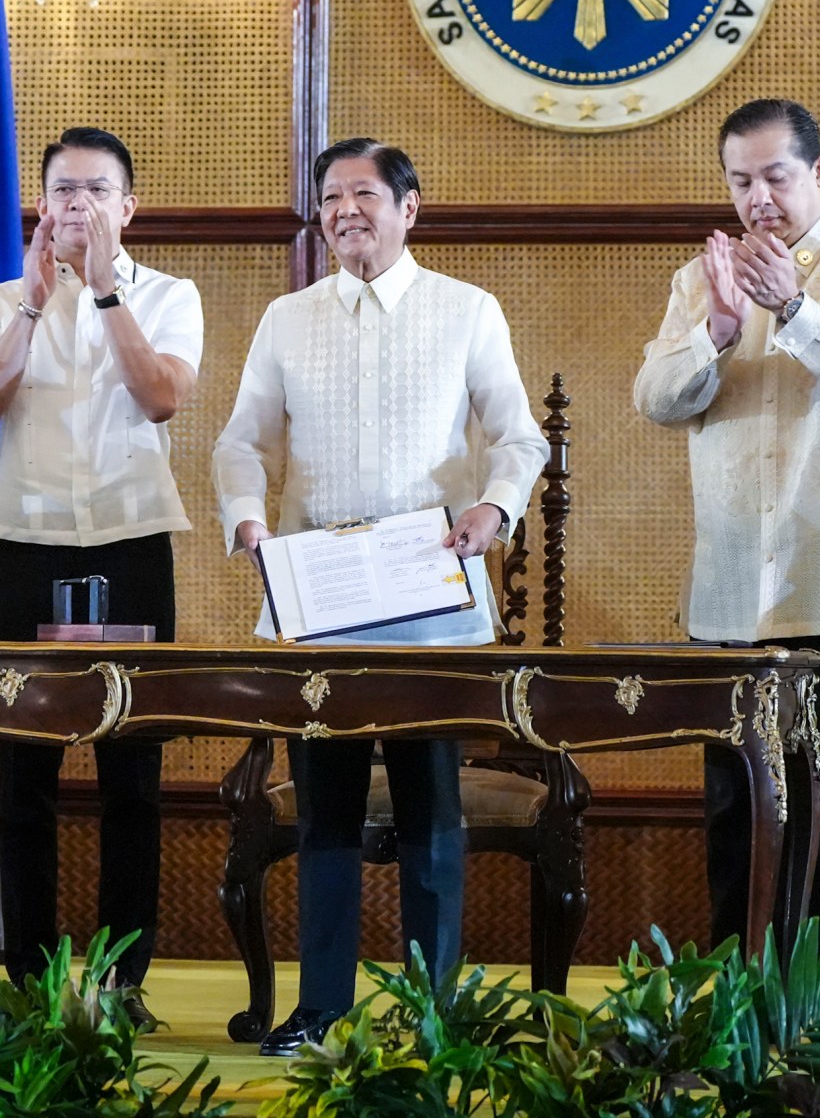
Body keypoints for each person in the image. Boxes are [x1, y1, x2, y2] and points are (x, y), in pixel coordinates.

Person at [214, 138, 547, 1056]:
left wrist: (493, 507)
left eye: (364, 193)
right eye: (330, 197)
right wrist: (247, 521)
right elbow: (241, 441)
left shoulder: (467, 311)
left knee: (429, 806)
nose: (345, 210)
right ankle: (320, 1011)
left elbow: (519, 438)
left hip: (429, 591)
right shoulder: (287, 317)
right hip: (318, 597)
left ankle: (431, 1017)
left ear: (411, 207)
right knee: (323, 806)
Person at [631, 97, 820, 949]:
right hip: (730, 595)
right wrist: (717, 331)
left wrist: (796, 312)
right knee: (737, 811)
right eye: (741, 180)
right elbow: (655, 400)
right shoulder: (700, 279)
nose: (759, 197)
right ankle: (739, 1002)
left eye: (776, 176)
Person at [0, 127, 202, 1020]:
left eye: (97, 191)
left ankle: (121, 980)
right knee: (26, 771)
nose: (77, 206)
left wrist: (103, 296)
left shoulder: (172, 296)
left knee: (130, 772)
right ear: (42, 205)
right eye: (63, 190)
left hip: (134, 541)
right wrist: (32, 305)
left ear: (127, 208)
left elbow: (162, 396)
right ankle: (28, 977)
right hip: (28, 542)